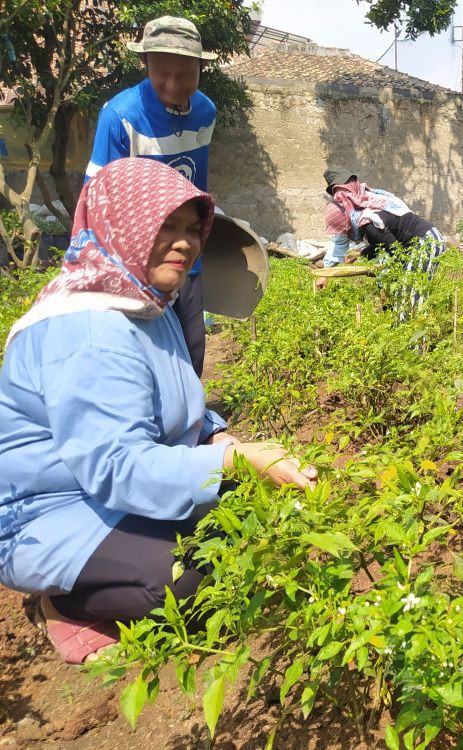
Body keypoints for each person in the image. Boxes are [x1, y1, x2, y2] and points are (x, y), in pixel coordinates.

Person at [0, 159, 315, 664]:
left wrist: (218, 439)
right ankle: (58, 600)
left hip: (114, 490)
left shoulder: (147, 302)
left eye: (192, 228)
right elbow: (117, 467)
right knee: (187, 582)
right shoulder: (85, 330)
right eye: (165, 225)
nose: (184, 242)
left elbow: (176, 402)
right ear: (120, 223)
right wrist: (234, 462)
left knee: (250, 520)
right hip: (52, 514)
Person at [86, 16, 219, 377]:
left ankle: (190, 425)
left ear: (201, 68)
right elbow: (95, 199)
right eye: (162, 74)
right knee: (139, 359)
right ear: (145, 65)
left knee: (191, 353)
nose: (173, 85)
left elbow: (198, 185)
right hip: (136, 263)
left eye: (185, 74)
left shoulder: (206, 113)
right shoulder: (121, 116)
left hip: (184, 259)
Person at [319, 170, 445, 312]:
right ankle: (404, 327)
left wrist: (376, 271)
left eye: (343, 229)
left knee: (408, 295)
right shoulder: (368, 208)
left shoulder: (368, 223)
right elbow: (382, 243)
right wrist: (360, 255)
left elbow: (396, 252)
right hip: (425, 240)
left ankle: (414, 332)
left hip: (426, 242)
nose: (345, 232)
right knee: (405, 295)